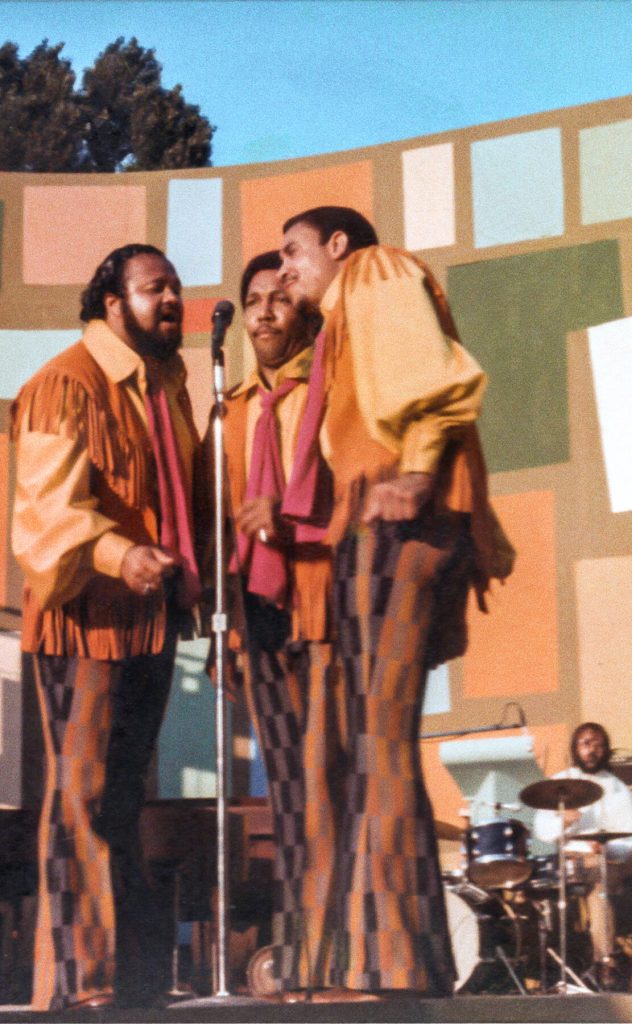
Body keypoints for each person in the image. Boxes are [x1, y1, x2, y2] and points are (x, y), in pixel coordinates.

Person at [277, 206, 514, 999]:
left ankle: (390, 964)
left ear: (338, 245)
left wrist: (415, 470)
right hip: (372, 517)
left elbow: (431, 375)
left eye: (294, 252)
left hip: (396, 512)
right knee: (375, 739)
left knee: (378, 736)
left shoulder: (376, 271)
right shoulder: (337, 324)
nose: (286, 270)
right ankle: (402, 958)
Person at [11, 245, 202, 1011]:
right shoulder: (67, 382)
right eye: (155, 288)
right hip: (83, 619)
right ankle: (79, 985)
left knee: (120, 804)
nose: (172, 299)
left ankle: (131, 986)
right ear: (112, 302)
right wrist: (123, 554)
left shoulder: (164, 388)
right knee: (82, 800)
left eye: (176, 287)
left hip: (147, 623)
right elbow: (45, 516)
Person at [211, 251, 336, 998]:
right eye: (252, 300)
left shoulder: (329, 392)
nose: (262, 311)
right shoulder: (230, 412)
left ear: (303, 314)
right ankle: (303, 952)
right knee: (285, 788)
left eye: (278, 299)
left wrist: (292, 521)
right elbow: (216, 522)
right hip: (255, 613)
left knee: (327, 778)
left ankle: (339, 954)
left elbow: (353, 487)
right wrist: (224, 632)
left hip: (318, 600)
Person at [533, 723, 632, 974]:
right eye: (586, 744)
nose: (592, 750)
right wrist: (563, 822)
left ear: (606, 750)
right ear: (575, 748)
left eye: (599, 745)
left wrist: (607, 849)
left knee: (600, 883)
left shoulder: (619, 791)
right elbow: (542, 831)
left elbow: (629, 845)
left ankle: (605, 964)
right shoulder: (558, 783)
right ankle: (543, 964)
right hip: (564, 859)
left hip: (599, 861)